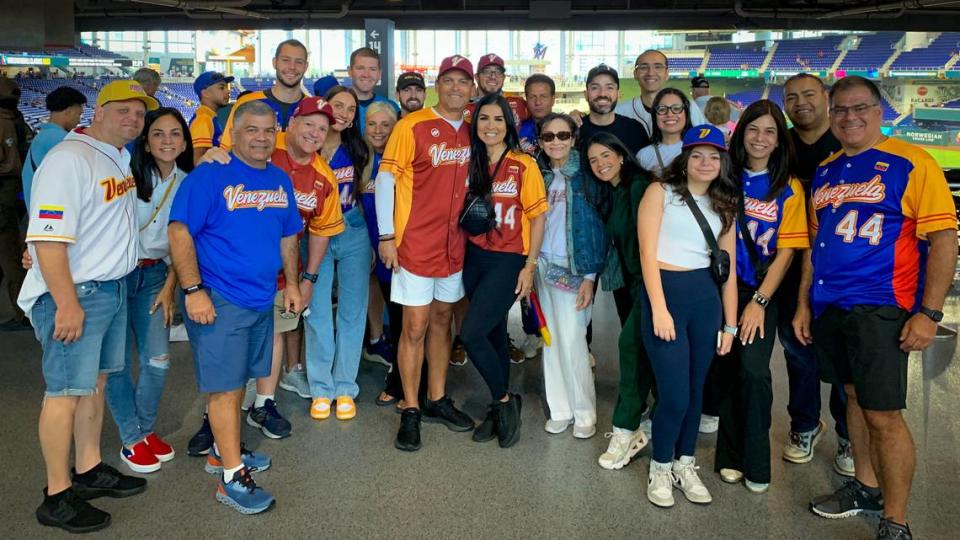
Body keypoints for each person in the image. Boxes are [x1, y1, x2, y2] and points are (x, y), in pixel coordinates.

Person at [796, 76, 957, 540]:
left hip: (881, 306)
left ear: (879, 110)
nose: (849, 117)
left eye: (859, 107)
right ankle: (865, 487)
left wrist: (929, 313)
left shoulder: (913, 162)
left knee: (884, 413)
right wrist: (805, 303)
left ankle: (896, 519)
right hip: (832, 305)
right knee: (853, 399)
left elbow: (944, 240)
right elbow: (814, 244)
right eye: (841, 109)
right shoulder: (826, 170)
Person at [19, 80, 158, 533]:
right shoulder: (69, 159)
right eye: (124, 111)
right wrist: (66, 303)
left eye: (139, 113)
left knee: (95, 384)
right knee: (64, 393)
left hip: (110, 288)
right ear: (98, 111)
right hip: (77, 294)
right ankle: (57, 494)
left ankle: (89, 466)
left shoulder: (115, 155)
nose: (134, 120)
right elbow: (45, 238)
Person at [168, 99, 303, 515]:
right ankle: (231, 476)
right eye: (251, 130)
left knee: (240, 379)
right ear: (233, 133)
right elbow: (179, 231)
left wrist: (294, 283)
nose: (261, 138)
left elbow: (288, 236)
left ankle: (220, 452)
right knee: (226, 388)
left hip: (261, 296)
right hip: (219, 297)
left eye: (268, 131)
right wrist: (193, 289)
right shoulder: (209, 176)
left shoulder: (279, 179)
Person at [376, 55, 477, 452]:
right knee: (414, 326)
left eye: (462, 81)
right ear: (439, 85)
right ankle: (411, 407)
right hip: (415, 243)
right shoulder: (411, 126)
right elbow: (386, 180)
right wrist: (387, 236)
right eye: (448, 80)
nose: (455, 87)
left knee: (442, 322)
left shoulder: (474, 130)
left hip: (456, 245)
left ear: (472, 89)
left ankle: (436, 398)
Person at [636, 124, 738, 508]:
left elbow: (725, 269)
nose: (706, 162)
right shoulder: (659, 193)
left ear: (722, 161)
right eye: (697, 154)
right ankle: (660, 465)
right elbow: (647, 255)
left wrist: (730, 323)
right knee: (675, 394)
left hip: (705, 301)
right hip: (666, 295)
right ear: (685, 158)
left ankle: (685, 462)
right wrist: (659, 309)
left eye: (714, 156)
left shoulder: (724, 202)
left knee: (696, 391)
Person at [714, 100, 809, 494]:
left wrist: (760, 302)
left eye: (770, 131)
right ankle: (728, 457)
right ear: (741, 133)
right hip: (718, 288)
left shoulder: (788, 187)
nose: (760, 138)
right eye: (754, 129)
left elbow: (787, 251)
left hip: (759, 293)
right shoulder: (723, 176)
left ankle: (756, 460)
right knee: (726, 369)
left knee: (753, 371)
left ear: (778, 140)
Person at [105, 107, 193, 473]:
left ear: (185, 141)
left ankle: (145, 429)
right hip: (116, 275)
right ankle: (131, 437)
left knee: (157, 360)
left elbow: (183, 241)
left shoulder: (188, 182)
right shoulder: (126, 174)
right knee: (118, 363)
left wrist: (170, 287)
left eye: (175, 134)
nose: (167, 141)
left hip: (155, 276)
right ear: (146, 139)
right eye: (158, 133)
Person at [461, 93, 547, 448]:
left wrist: (529, 265)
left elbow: (538, 217)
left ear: (508, 125)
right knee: (493, 333)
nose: (491, 126)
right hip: (474, 256)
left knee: (471, 333)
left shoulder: (523, 164)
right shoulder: (468, 162)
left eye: (498, 119)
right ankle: (502, 403)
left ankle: (503, 402)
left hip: (509, 258)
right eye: (484, 119)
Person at [780, 72, 850, 474]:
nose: (801, 102)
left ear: (825, 97)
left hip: (841, 269)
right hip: (792, 266)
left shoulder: (845, 141)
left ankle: (847, 434)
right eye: (792, 97)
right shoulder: (782, 146)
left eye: (809, 94)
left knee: (842, 356)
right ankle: (805, 425)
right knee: (797, 352)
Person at [262, 97, 345, 431]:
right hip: (235, 265)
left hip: (284, 270)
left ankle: (262, 403)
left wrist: (308, 278)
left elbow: (321, 232)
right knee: (235, 335)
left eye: (322, 128)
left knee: (277, 333)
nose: (314, 133)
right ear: (292, 123)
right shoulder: (266, 145)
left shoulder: (324, 177)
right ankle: (217, 414)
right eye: (309, 124)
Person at [581, 133, 657, 466]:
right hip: (632, 283)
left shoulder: (640, 185)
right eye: (593, 160)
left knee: (629, 348)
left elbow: (650, 242)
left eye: (606, 155)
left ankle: (625, 429)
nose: (600, 164)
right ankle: (650, 419)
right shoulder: (614, 190)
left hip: (654, 283)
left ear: (621, 155)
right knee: (643, 351)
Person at [534, 114, 607, 439]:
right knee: (550, 340)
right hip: (543, 267)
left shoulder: (587, 176)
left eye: (562, 135)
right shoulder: (540, 174)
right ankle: (560, 408)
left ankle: (584, 412)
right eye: (548, 137)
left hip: (576, 269)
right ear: (540, 141)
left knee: (574, 341)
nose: (556, 142)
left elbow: (598, 226)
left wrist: (591, 276)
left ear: (574, 138)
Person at [302, 85, 371, 422]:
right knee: (316, 312)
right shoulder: (305, 147)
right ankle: (320, 387)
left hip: (353, 230)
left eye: (350, 109)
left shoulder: (358, 149)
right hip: (314, 235)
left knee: (352, 312)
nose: (343, 113)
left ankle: (344, 385)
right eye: (338, 105)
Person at [220, 39, 308, 149]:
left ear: (306, 66)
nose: (292, 67)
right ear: (274, 62)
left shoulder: (313, 109)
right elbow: (226, 151)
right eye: (285, 60)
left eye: (299, 62)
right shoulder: (246, 103)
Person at [21, 86, 86, 210]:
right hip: (50, 213)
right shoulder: (58, 138)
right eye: (79, 114)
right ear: (69, 111)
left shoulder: (45, 135)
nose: (79, 120)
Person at [615, 50, 707, 137]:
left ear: (667, 74)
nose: (650, 73)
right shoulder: (619, 111)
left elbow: (702, 143)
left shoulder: (689, 107)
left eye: (658, 67)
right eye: (643, 67)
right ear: (635, 74)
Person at [0, 76, 30, 330]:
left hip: (4, 196)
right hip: (11, 194)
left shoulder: (4, 123)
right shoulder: (15, 119)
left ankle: (22, 314)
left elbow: (9, 164)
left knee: (9, 256)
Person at [578, 64, 650, 157]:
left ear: (618, 94)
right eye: (595, 87)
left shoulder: (635, 129)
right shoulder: (575, 130)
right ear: (586, 94)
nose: (602, 93)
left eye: (610, 87)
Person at [637, 88, 693, 178]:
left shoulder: (697, 150)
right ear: (655, 116)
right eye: (662, 109)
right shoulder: (644, 155)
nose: (669, 114)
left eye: (676, 108)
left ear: (686, 114)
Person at [347, 47, 400, 133]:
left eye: (372, 69)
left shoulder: (392, 108)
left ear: (379, 73)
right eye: (360, 68)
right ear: (349, 71)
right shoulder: (337, 107)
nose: (366, 74)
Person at [189, 71, 234, 164]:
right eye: (222, 88)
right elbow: (197, 161)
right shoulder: (203, 119)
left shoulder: (210, 117)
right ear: (205, 93)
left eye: (226, 87)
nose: (228, 91)